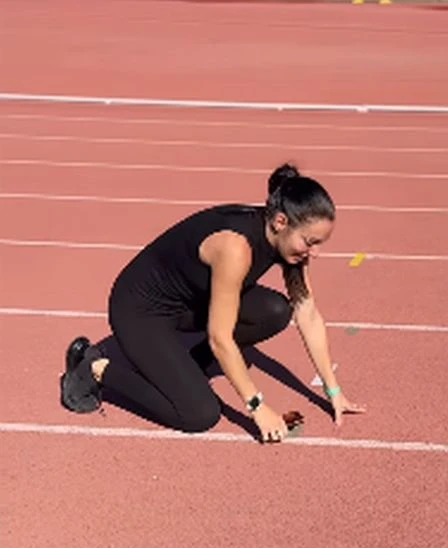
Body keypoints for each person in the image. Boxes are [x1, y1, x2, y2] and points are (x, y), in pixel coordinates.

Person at [59, 162, 365, 442]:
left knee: (275, 311)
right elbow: (221, 339)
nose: (315, 253)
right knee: (198, 415)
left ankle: (187, 365)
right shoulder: (235, 248)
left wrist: (333, 391)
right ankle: (93, 367)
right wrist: (257, 406)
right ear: (281, 222)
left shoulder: (288, 243)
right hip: (140, 312)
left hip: (188, 303)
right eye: (310, 242)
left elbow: (307, 314)